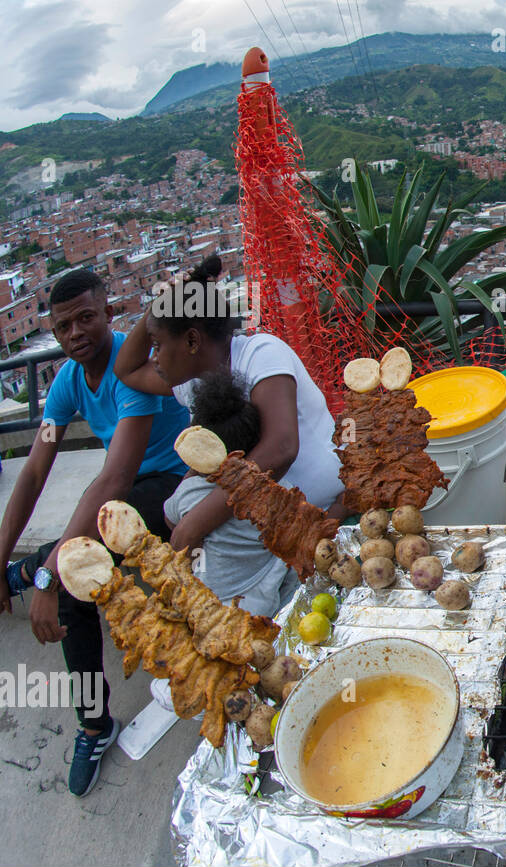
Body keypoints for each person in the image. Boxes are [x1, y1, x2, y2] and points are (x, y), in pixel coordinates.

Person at [0, 269, 191, 796]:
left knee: (71, 581)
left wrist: (47, 577)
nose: (76, 332)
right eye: (64, 325)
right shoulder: (65, 382)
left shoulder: (133, 369)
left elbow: (115, 477)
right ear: (55, 334)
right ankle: (94, 722)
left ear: (109, 314)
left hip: (172, 482)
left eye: (87, 317)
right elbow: (36, 469)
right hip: (126, 489)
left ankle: (93, 724)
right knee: (72, 578)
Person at [113, 256, 345, 553]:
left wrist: (195, 523)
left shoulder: (261, 353)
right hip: (264, 517)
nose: (153, 357)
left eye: (157, 345)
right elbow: (127, 370)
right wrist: (160, 306)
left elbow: (280, 449)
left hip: (318, 508)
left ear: (192, 341)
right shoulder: (191, 381)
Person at [164, 369, 298, 618]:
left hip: (211, 603)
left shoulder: (189, 493)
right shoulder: (279, 491)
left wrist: (191, 473)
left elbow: (171, 520)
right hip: (264, 602)